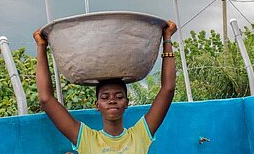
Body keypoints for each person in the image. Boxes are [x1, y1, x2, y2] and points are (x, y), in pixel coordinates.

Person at [33, 20, 177, 154]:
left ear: (127, 103)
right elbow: (46, 99)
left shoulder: (140, 135)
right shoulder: (86, 139)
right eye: (105, 97)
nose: (112, 100)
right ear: (97, 104)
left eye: (119, 96)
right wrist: (41, 46)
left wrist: (167, 38)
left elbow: (168, 89)